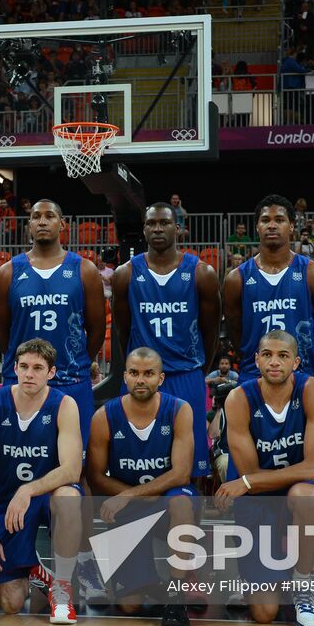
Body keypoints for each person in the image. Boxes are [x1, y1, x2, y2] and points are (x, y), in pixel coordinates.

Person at [215, 330, 314, 626]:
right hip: (257, 498)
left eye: (283, 356)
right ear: (256, 360)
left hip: (279, 492)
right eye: (267, 355)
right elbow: (254, 473)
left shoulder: (313, 390)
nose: (274, 362)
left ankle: (302, 582)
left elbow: (307, 468)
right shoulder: (239, 399)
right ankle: (255, 577)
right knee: (264, 614)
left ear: (296, 362)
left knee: (306, 495)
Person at [0, 339, 83, 624]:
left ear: (51, 372)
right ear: (14, 368)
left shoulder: (64, 405)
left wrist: (29, 489)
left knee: (68, 498)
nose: (29, 374)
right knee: (10, 603)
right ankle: (35, 571)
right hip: (9, 504)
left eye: (37, 368)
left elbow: (72, 470)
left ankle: (62, 587)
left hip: (46, 496)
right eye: (23, 367)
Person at [86, 347, 198, 626]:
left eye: (148, 374)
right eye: (134, 373)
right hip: (130, 508)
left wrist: (129, 494)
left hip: (164, 501)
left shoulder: (179, 410)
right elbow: (96, 476)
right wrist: (130, 497)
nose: (141, 380)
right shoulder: (104, 416)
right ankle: (150, 581)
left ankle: (175, 594)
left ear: (161, 378)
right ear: (124, 377)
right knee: (129, 605)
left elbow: (182, 474)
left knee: (182, 502)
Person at [110, 201, 220, 481]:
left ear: (179, 229)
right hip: (142, 378)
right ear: (144, 230)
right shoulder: (126, 274)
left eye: (164, 223)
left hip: (185, 374)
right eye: (151, 223)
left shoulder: (201, 273)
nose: (157, 228)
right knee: (138, 456)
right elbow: (123, 331)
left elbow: (211, 331)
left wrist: (197, 370)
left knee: (191, 464)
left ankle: (187, 520)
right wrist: (138, 370)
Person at [0, 199, 105, 447]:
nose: (42, 221)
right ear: (29, 225)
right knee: (19, 460)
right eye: (36, 216)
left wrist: (78, 360)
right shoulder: (8, 272)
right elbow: (2, 332)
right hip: (23, 382)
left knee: (78, 466)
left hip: (71, 380)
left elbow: (97, 329)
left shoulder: (84, 269)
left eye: (49, 216)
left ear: (62, 224)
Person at [223, 194, 314, 384]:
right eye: (265, 220)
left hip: (300, 373)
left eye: (279, 220)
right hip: (254, 374)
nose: (272, 225)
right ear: (257, 227)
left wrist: (311, 364)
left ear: (291, 226)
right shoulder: (236, 278)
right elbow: (235, 331)